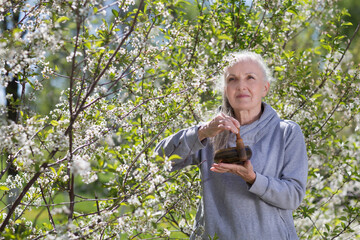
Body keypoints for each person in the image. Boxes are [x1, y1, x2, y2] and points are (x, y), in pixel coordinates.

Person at [155, 51, 308, 240]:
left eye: (250, 77)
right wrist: (201, 132)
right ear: (225, 90)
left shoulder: (287, 133)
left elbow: (293, 196)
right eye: (232, 79)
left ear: (265, 88)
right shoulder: (210, 133)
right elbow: (157, 162)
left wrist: (253, 179)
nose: (241, 86)